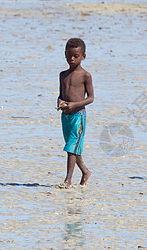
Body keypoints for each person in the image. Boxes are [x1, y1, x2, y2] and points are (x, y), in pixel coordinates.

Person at [56, 38, 94, 188]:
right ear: (65, 54)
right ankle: (85, 172)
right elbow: (61, 94)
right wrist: (60, 102)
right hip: (66, 116)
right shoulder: (62, 75)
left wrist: (74, 105)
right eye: (69, 55)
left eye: (76, 56)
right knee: (72, 147)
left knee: (71, 148)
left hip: (78, 116)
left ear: (83, 56)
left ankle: (68, 181)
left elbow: (91, 98)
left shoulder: (86, 75)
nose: (72, 59)